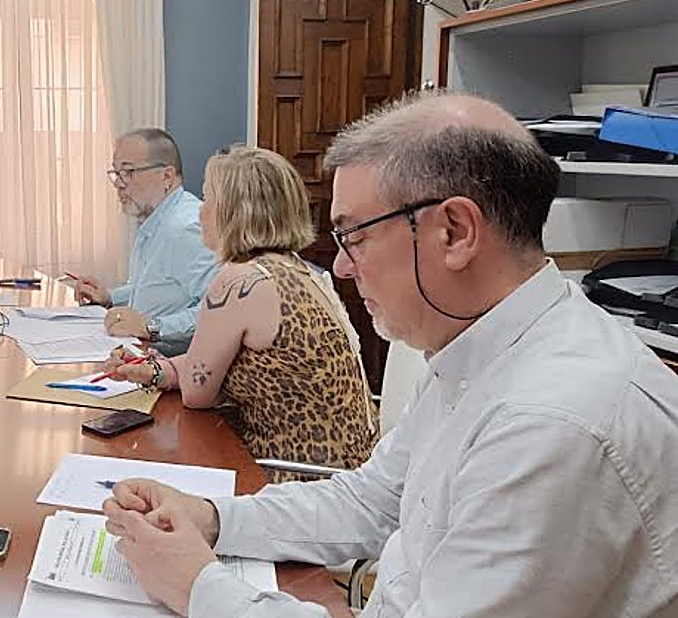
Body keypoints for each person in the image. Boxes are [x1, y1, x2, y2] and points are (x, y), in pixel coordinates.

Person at [102, 92, 678, 618]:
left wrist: (197, 587)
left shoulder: (552, 425)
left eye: (355, 236)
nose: (344, 268)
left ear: (454, 232)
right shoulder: (476, 346)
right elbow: (371, 500)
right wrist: (212, 516)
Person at [100, 145, 376, 469]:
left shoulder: (239, 281)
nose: (201, 211)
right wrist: (155, 369)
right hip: (346, 469)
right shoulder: (298, 270)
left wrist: (171, 372)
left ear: (235, 210)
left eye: (209, 199)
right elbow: (212, 363)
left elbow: (196, 393)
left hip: (293, 480)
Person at [74, 128, 218, 356]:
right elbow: (160, 286)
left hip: (172, 367)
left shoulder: (186, 228)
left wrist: (151, 327)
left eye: (129, 172)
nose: (119, 184)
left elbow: (217, 309)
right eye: (117, 173)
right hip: (142, 354)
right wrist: (110, 297)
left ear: (167, 177)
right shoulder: (157, 219)